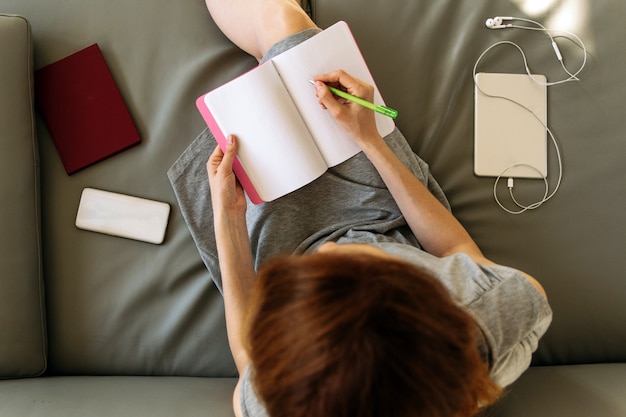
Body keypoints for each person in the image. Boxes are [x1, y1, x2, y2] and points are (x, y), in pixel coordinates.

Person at [167, 1, 553, 416]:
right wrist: (370, 139)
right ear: (423, 295)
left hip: (280, 244)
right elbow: (455, 249)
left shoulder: (284, 397)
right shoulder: (497, 312)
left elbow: (248, 355)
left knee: (274, 50)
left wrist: (227, 220)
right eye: (355, 263)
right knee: (292, 35)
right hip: (381, 215)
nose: (328, 251)